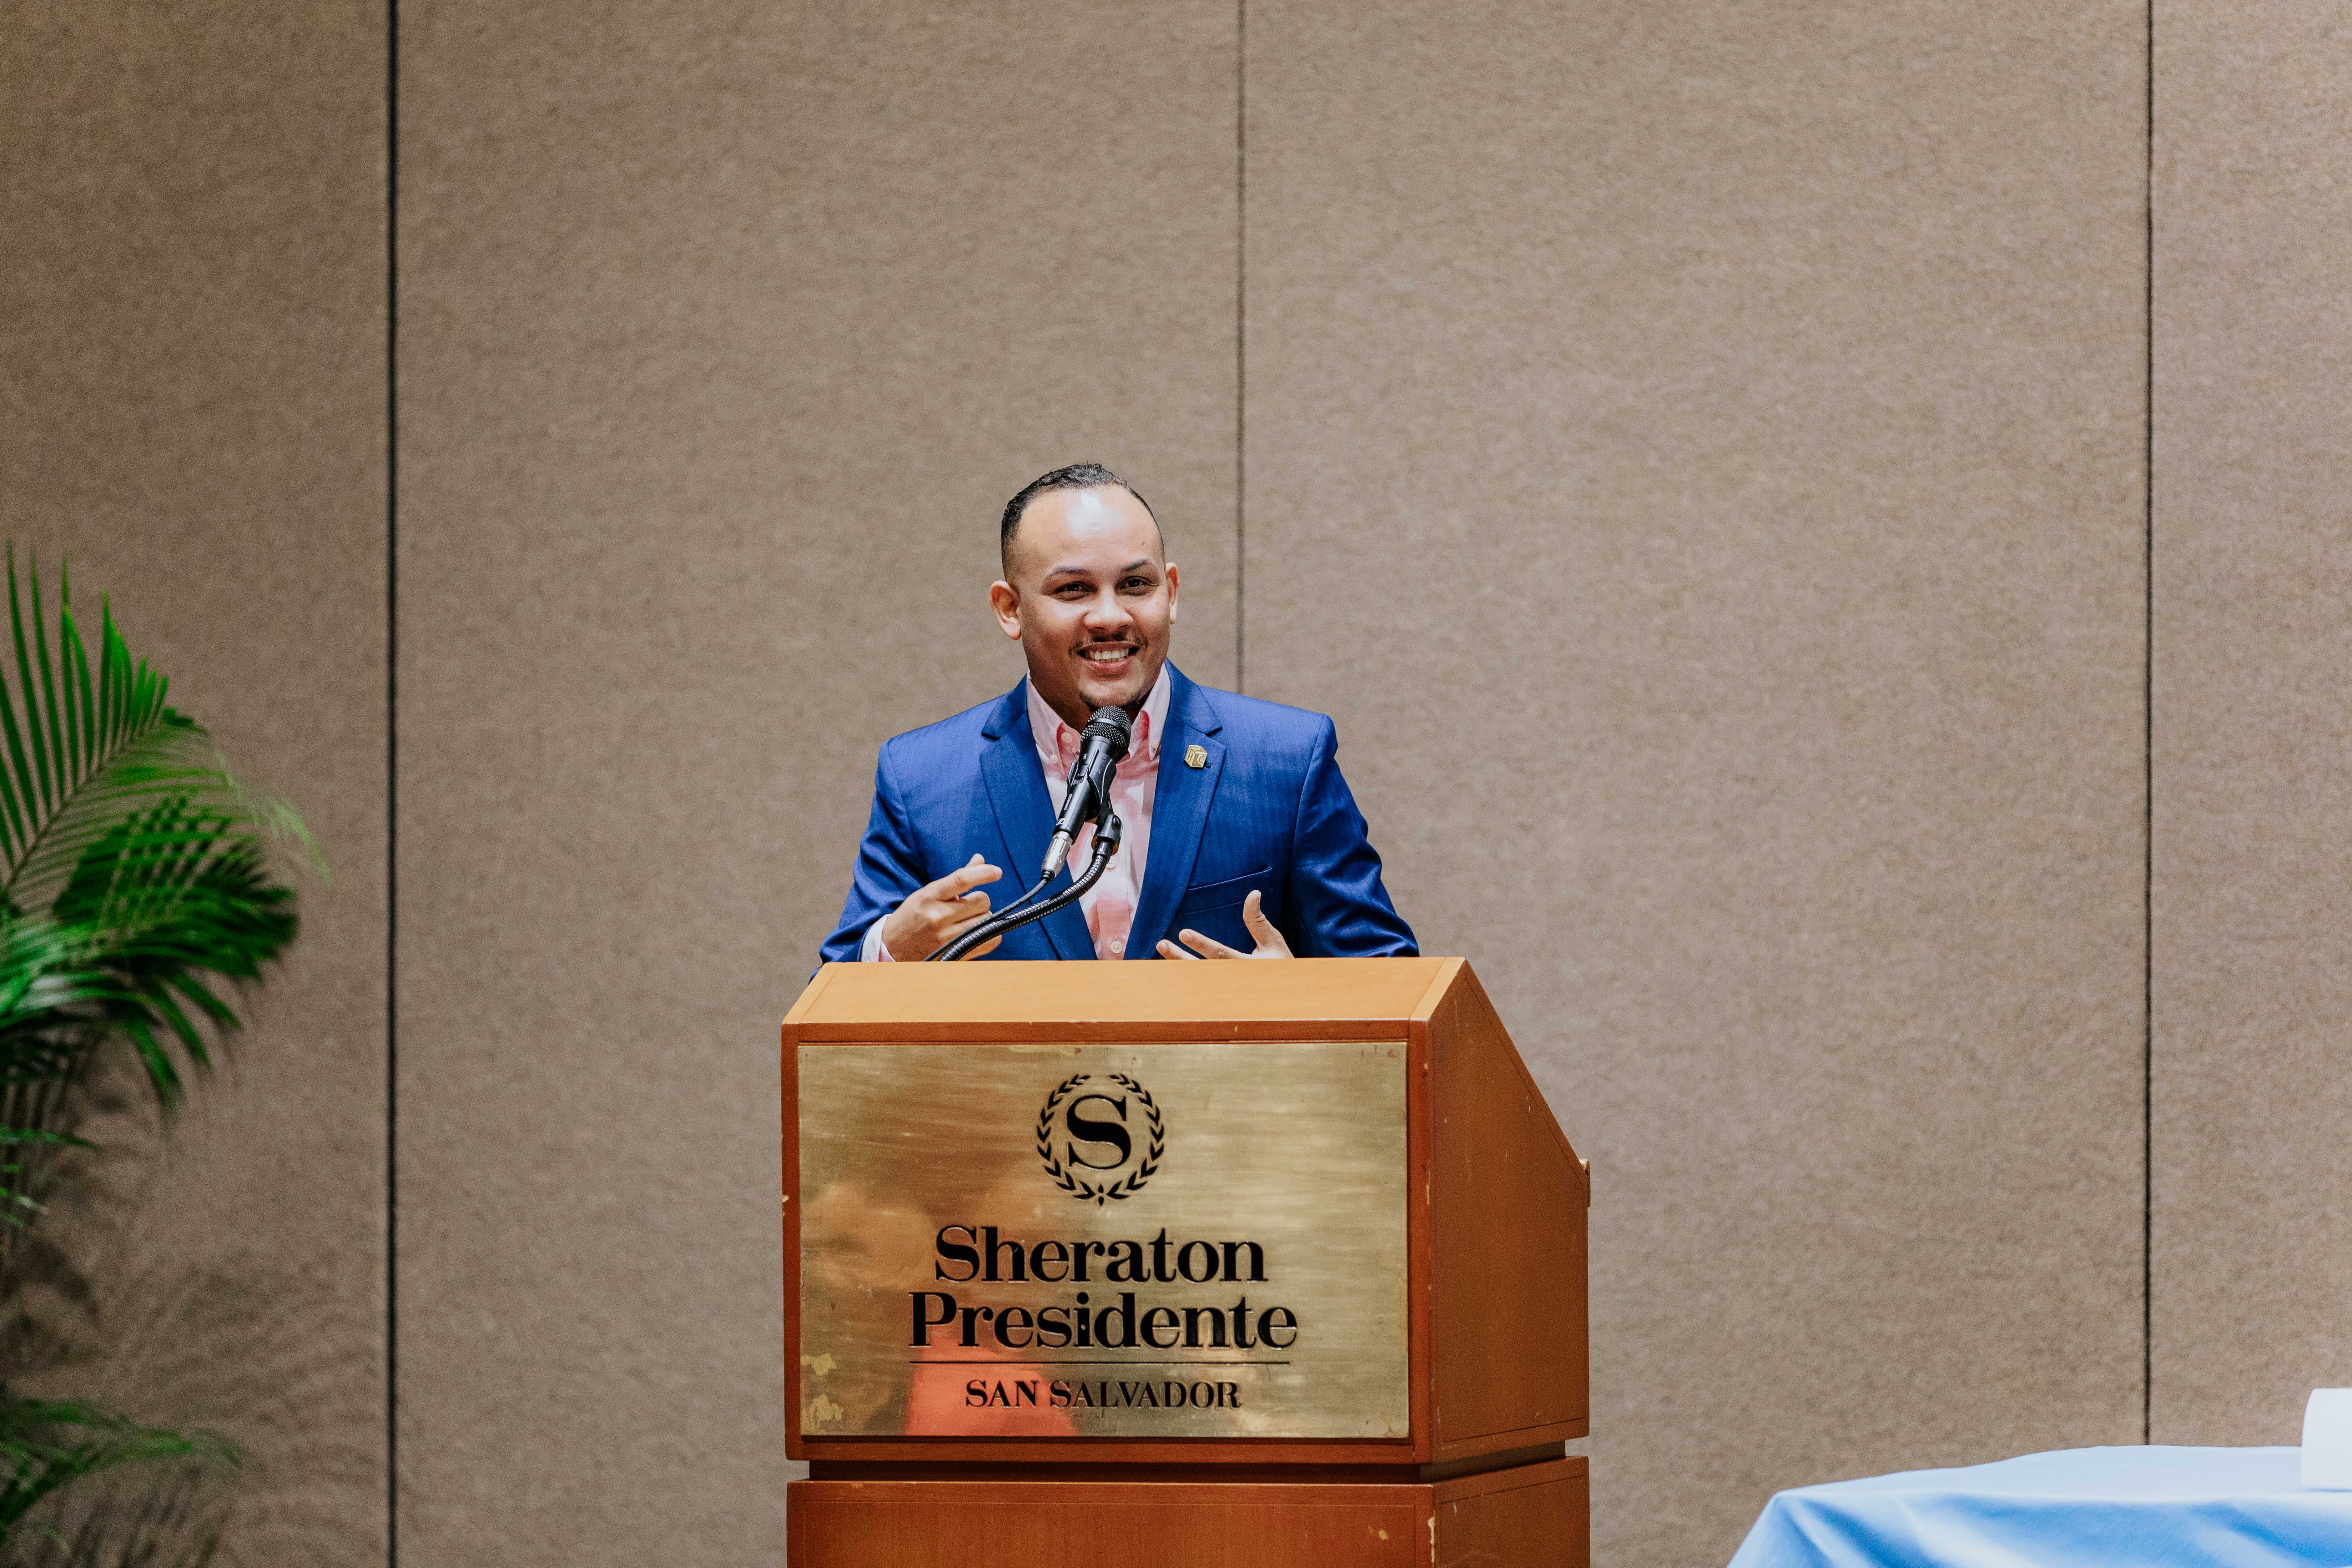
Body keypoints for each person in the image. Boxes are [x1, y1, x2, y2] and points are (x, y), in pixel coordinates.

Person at [820, 463, 1415, 964]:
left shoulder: (1285, 760)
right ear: (1009, 608)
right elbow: (830, 1003)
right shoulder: (923, 777)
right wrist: (891, 952)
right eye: (1073, 590)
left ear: (1172, 593)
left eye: (1135, 584)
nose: (1110, 616)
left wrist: (1294, 1000)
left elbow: (1390, 981)